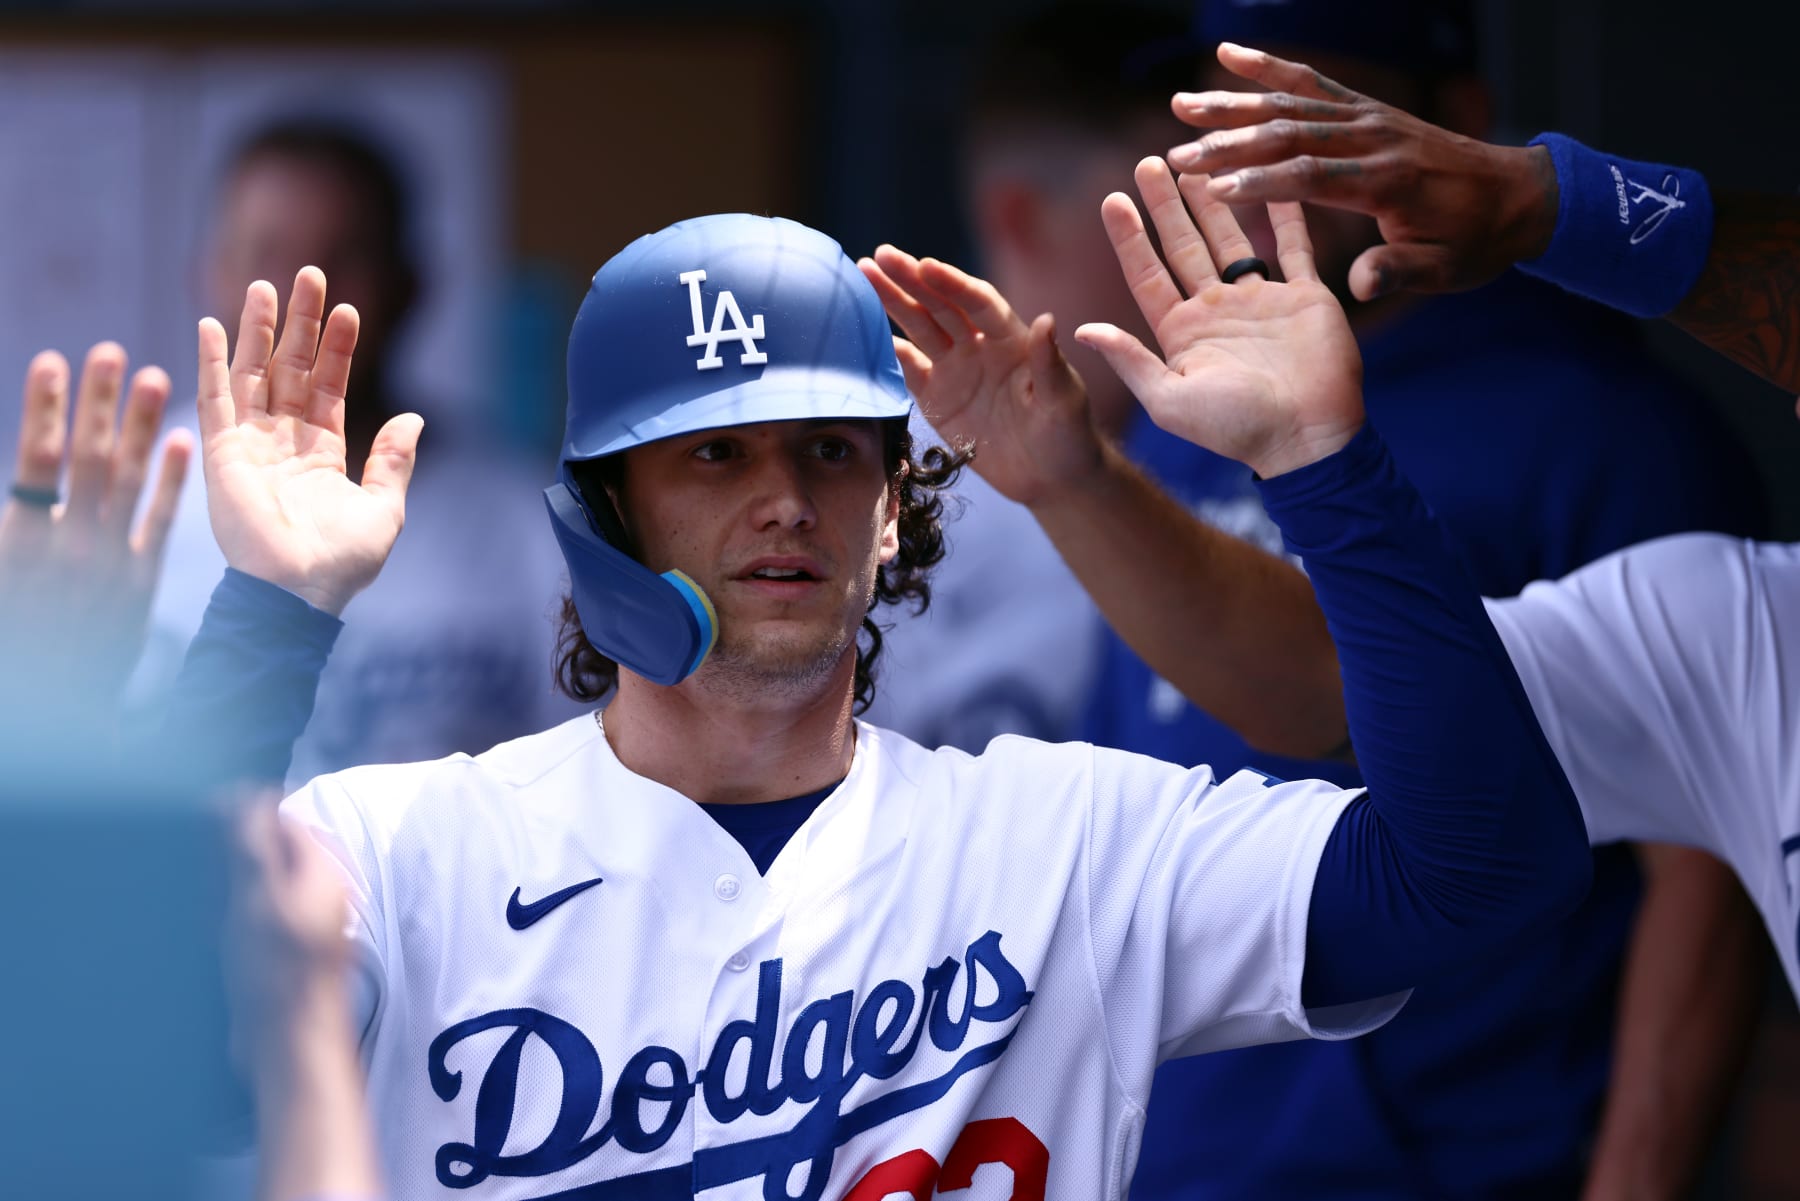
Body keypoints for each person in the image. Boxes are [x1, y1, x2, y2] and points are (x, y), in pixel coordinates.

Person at [178, 192, 1590, 1199]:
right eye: (714, 459)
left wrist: (1324, 463)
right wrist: (266, 618)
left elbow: (1477, 873)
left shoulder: (1064, 839)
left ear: (900, 511)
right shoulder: (405, 847)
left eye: (834, 452)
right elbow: (123, 1024)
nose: (786, 500)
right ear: (608, 513)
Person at [873, 5, 1767, 1197]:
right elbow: (1250, 719)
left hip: (1466, 1159)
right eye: (1220, 118)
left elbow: (1705, 870)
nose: (1247, 166)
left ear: (1458, 130)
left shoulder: (1605, 427)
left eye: (1305, 118)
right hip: (1182, 1150)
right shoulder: (1196, 398)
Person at [140, 116, 580, 784]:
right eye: (266, 251)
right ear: (209, 271)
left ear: (411, 286)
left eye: (344, 255)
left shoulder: (534, 521)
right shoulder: (120, 503)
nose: (304, 289)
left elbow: (581, 786)